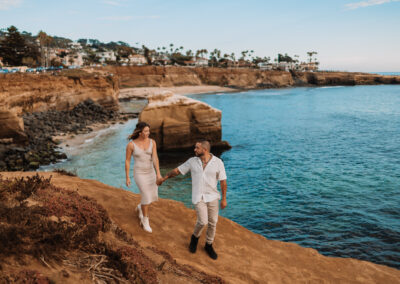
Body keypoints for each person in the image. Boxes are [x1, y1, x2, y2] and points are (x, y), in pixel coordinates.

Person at [158, 140, 227, 260]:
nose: (194, 150)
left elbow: (223, 181)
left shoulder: (218, 162)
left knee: (213, 223)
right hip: (198, 196)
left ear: (204, 150)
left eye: (197, 148)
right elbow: (177, 171)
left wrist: (224, 199)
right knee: (202, 221)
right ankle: (194, 238)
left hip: (213, 196)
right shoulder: (192, 161)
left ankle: (208, 245)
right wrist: (164, 178)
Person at [125, 122, 162, 233]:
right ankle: (145, 220)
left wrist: (158, 173)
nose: (148, 133)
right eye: (146, 131)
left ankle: (141, 206)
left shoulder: (152, 142)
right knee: (146, 195)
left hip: (151, 173)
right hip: (139, 173)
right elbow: (127, 161)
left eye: (148, 131)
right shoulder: (131, 145)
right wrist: (127, 177)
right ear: (140, 132)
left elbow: (155, 158)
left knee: (152, 195)